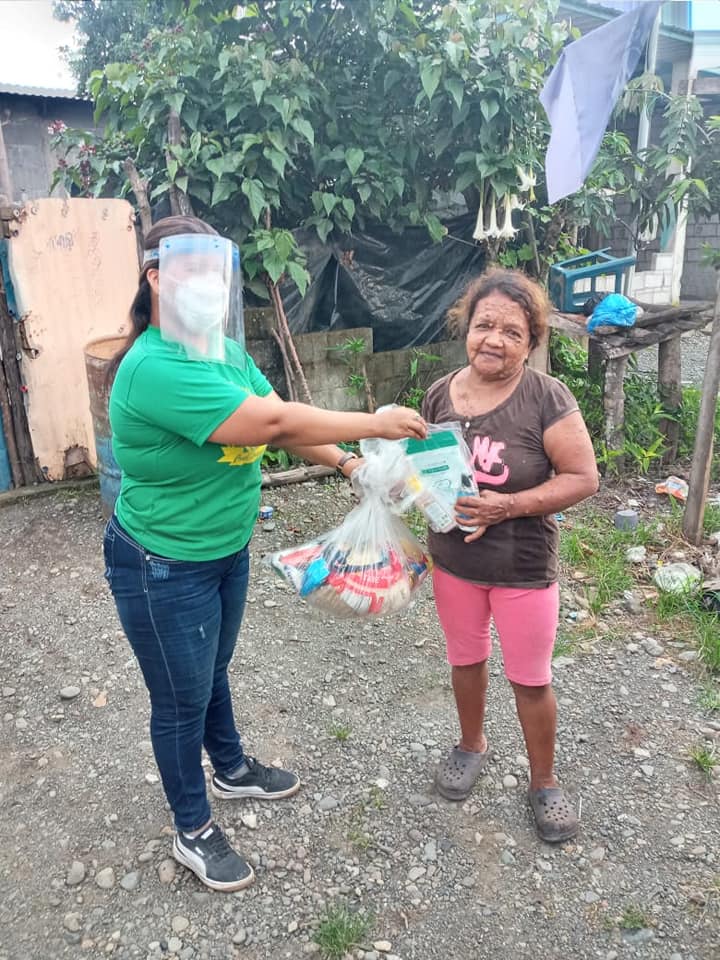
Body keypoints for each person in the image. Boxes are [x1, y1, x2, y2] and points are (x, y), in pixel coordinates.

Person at [104, 215, 427, 892]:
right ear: (155, 278)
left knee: (212, 669)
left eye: (213, 272)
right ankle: (192, 828)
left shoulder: (223, 351)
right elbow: (272, 424)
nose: (207, 285)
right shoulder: (153, 367)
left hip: (226, 548)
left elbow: (282, 414)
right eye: (191, 271)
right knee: (180, 698)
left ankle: (230, 768)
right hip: (162, 563)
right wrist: (373, 424)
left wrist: (347, 464)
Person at [422, 268, 598, 843]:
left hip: (522, 566)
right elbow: (428, 470)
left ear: (531, 341)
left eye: (512, 332)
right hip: (454, 562)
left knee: (530, 677)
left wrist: (509, 506)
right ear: (466, 328)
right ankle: (471, 743)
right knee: (465, 660)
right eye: (484, 325)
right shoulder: (439, 393)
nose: (493, 340)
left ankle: (544, 780)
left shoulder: (547, 398)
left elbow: (583, 477)